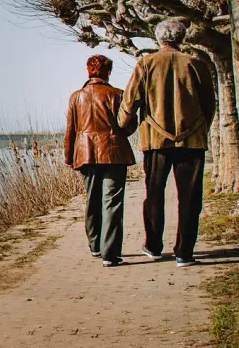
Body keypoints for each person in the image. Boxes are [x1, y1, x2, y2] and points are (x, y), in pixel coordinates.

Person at [118, 20, 216, 268]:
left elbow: (130, 103)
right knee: (191, 198)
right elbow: (209, 105)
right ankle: (185, 252)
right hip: (192, 141)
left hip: (155, 140)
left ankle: (153, 246)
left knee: (154, 194)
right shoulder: (197, 64)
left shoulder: (146, 64)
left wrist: (122, 126)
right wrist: (201, 128)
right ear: (182, 37)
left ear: (158, 38)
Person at [65, 55, 136, 267]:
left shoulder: (76, 97)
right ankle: (110, 254)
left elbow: (70, 130)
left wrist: (69, 156)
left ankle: (95, 246)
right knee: (112, 202)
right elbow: (129, 126)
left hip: (85, 153)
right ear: (108, 72)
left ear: (89, 71)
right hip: (114, 153)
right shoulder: (117, 95)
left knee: (92, 200)